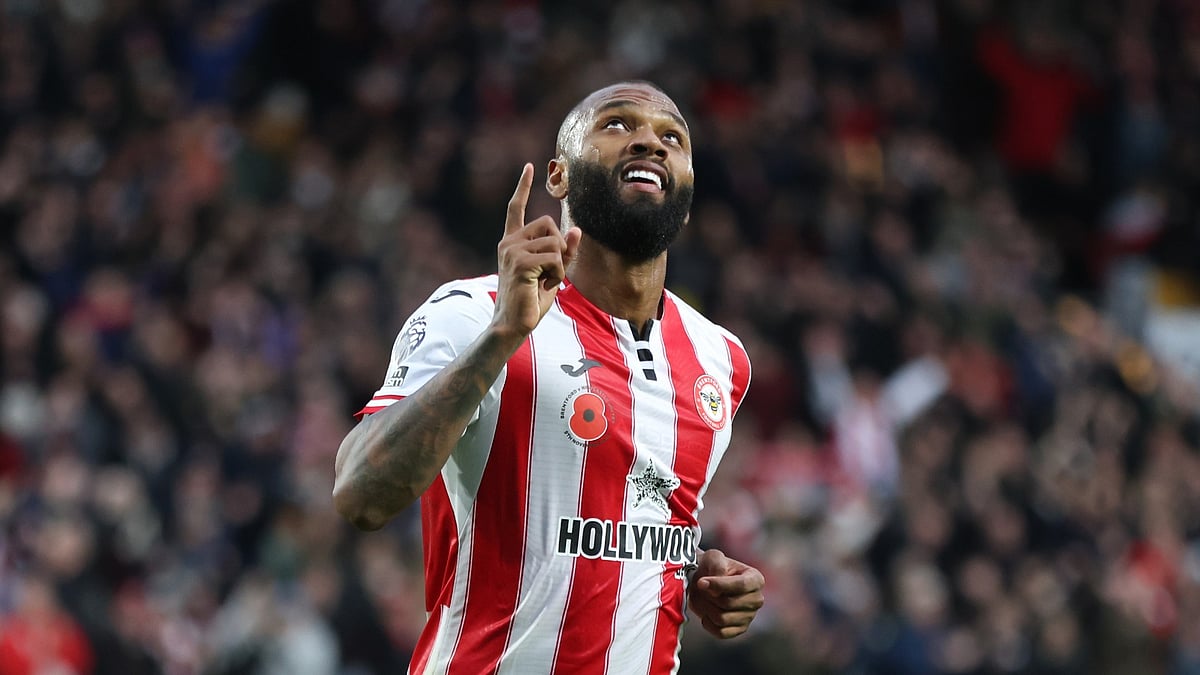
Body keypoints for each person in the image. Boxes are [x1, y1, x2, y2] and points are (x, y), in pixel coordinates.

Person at [333, 81, 765, 674]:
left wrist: (699, 575)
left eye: (672, 137)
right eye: (617, 125)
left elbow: (629, 521)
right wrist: (500, 339)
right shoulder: (471, 313)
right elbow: (360, 495)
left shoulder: (721, 358)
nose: (650, 141)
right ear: (558, 178)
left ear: (686, 196)